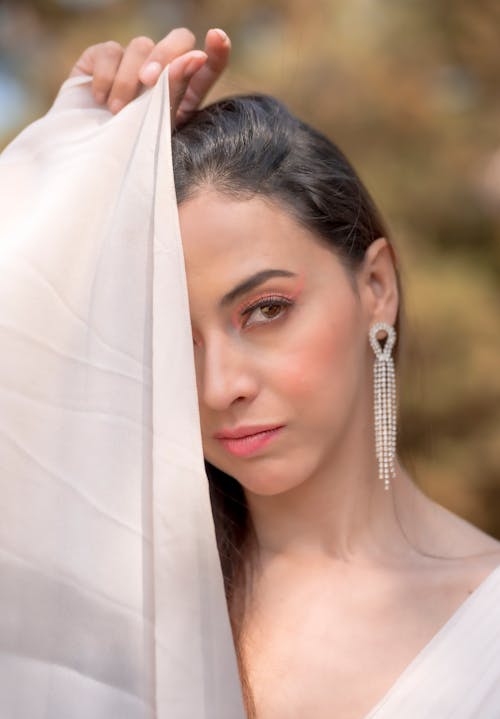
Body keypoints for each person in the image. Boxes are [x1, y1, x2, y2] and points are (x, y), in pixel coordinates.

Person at [67, 28, 500, 719]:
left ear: (376, 287)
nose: (218, 388)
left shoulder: (488, 635)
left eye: (265, 310)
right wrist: (75, 151)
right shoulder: (116, 611)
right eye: (178, 343)